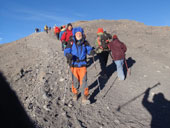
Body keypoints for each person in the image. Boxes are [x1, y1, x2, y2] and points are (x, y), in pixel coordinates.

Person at [64, 27, 95, 105]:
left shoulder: (85, 42)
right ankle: (75, 93)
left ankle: (85, 96)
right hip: (74, 64)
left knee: (84, 80)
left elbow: (89, 49)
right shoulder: (71, 42)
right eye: (77, 33)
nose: (79, 34)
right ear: (75, 34)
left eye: (80, 33)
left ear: (82, 34)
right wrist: (68, 55)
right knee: (75, 81)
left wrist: (91, 52)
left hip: (83, 64)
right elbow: (66, 50)